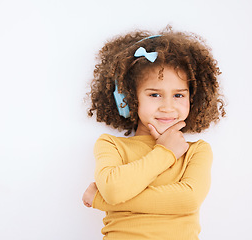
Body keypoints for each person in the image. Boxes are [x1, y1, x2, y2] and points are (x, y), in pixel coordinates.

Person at [82, 26, 226, 240]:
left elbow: (187, 200)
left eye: (178, 95)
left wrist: (101, 200)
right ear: (129, 98)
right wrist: (165, 152)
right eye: (155, 95)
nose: (168, 107)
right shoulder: (111, 145)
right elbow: (113, 189)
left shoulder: (196, 151)